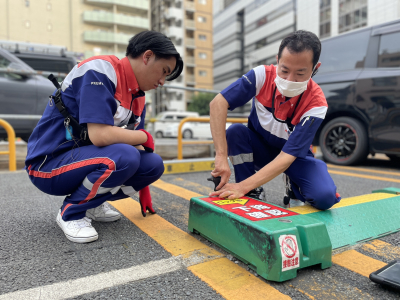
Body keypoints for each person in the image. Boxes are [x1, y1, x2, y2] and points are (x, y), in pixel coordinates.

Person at [25, 31, 183, 243]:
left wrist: (145, 188)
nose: (163, 81)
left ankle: (93, 203)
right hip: (48, 164)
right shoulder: (99, 70)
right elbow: (100, 135)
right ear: (147, 56)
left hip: (82, 161)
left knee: (153, 164)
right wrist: (144, 137)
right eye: (164, 71)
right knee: (124, 156)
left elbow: (139, 146)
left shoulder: (138, 96)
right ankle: (70, 213)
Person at [208, 30, 341, 210]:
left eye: (300, 74)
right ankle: (252, 189)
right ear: (277, 59)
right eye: (284, 70)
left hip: (294, 158)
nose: (289, 80)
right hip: (262, 149)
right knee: (235, 132)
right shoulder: (261, 76)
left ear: (315, 68)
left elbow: (287, 156)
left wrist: (240, 187)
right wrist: (221, 157)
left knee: (325, 197)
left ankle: (292, 185)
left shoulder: (316, 104)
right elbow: (218, 103)